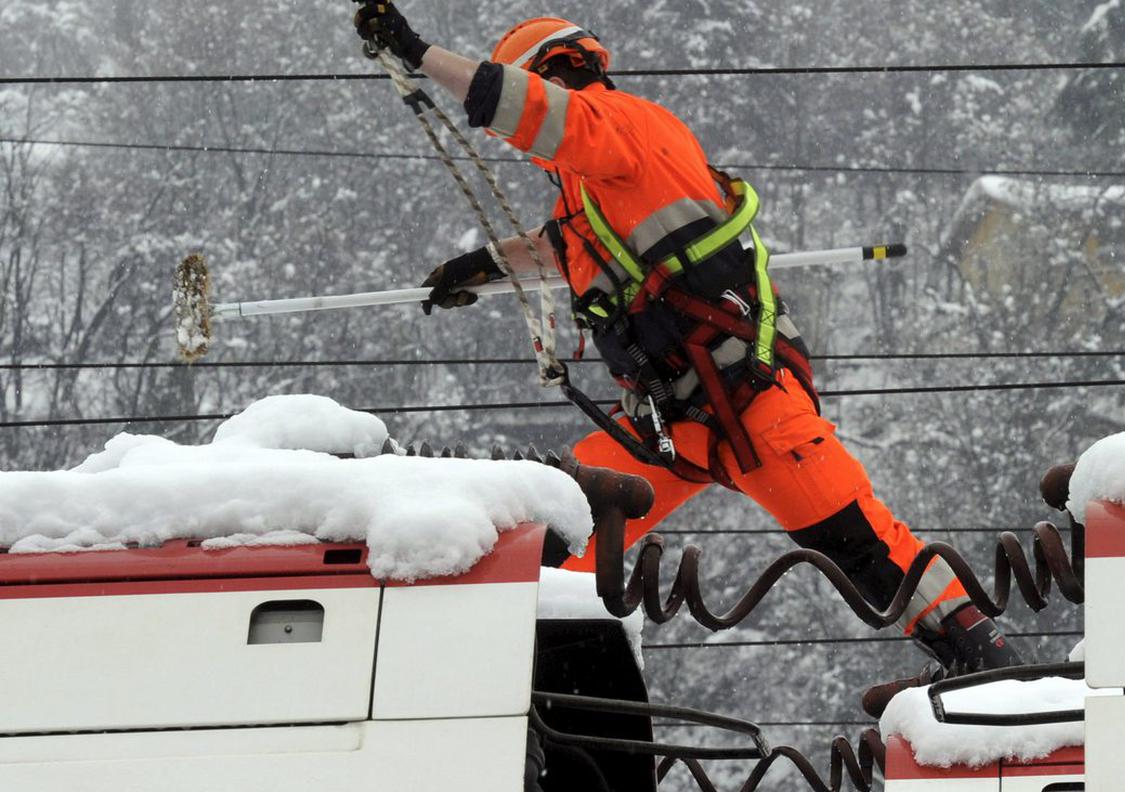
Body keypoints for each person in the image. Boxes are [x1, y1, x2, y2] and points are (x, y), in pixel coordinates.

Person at [353, 4, 1023, 676]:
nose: (526, 151)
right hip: (670, 422)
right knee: (561, 531)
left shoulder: (625, 126)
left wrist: (419, 52)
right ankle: (514, 673)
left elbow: (518, 106)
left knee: (863, 545)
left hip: (751, 399)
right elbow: (569, 249)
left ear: (560, 73)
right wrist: (485, 268)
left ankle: (983, 661)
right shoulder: (591, 187)